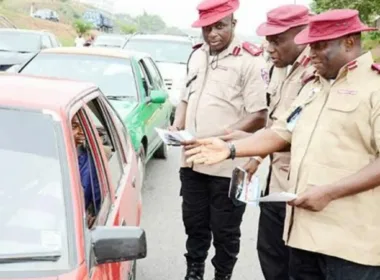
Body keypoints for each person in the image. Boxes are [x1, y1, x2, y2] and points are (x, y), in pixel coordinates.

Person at [185, 9, 380, 279]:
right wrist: (231, 149)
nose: (310, 53)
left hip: (350, 245)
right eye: (310, 44)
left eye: (320, 45)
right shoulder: (315, 87)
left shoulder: (374, 89)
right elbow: (282, 131)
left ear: (349, 42)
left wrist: (330, 192)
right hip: (303, 236)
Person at [169, 0, 269, 279]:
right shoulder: (197, 55)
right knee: (194, 224)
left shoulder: (250, 60)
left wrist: (218, 142)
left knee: (225, 231)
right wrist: (178, 124)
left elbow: (259, 116)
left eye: (220, 26)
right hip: (191, 162)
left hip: (228, 165)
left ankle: (222, 275)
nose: (212, 33)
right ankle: (194, 271)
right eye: (206, 27)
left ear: (233, 24)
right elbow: (185, 98)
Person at [221, 5, 314, 279]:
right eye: (267, 40)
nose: (269, 47)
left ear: (302, 34)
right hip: (275, 184)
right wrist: (256, 158)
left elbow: (304, 133)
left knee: (298, 267)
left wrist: (244, 144)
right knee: (270, 256)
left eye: (276, 40)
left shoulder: (318, 72)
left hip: (302, 190)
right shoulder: (280, 68)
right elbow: (276, 124)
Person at [72, 115, 101, 226]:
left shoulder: (91, 161)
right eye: (74, 126)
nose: (80, 132)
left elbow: (98, 197)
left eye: (83, 128)